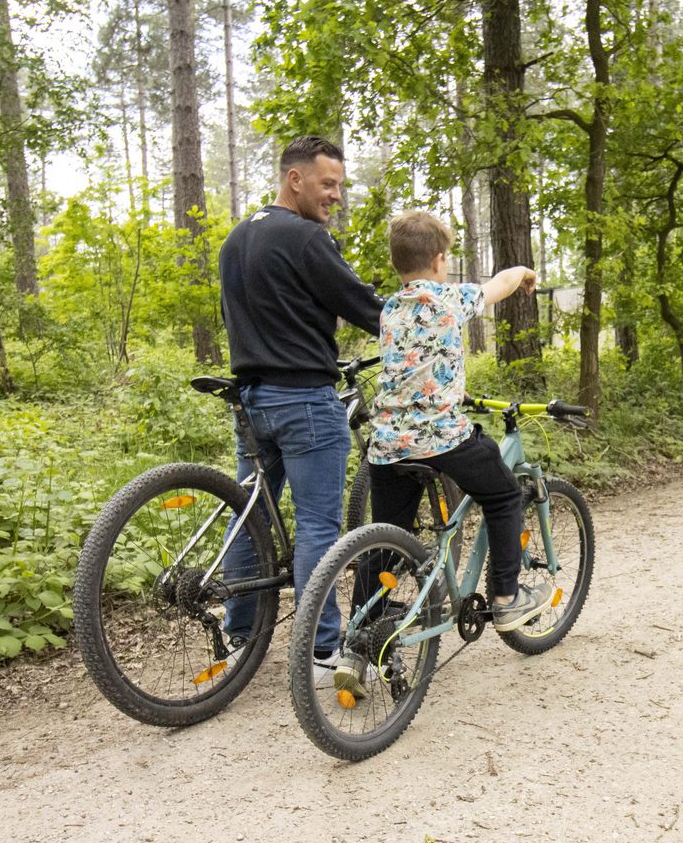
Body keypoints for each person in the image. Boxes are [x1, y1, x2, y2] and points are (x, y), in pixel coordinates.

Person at [335, 211, 545, 695]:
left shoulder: (389, 308)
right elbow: (502, 283)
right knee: (503, 496)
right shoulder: (449, 298)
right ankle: (508, 596)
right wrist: (525, 272)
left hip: (388, 446)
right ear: (438, 260)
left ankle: (356, 646)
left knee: (385, 541)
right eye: (446, 257)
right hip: (443, 440)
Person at [219, 135, 383, 682]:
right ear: (296, 180)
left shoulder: (237, 238)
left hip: (252, 400)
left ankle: (238, 637)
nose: (335, 195)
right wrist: (417, 321)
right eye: (327, 183)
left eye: (339, 184)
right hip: (305, 399)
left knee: (252, 518)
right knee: (318, 525)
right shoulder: (308, 239)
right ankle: (321, 652)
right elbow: (364, 307)